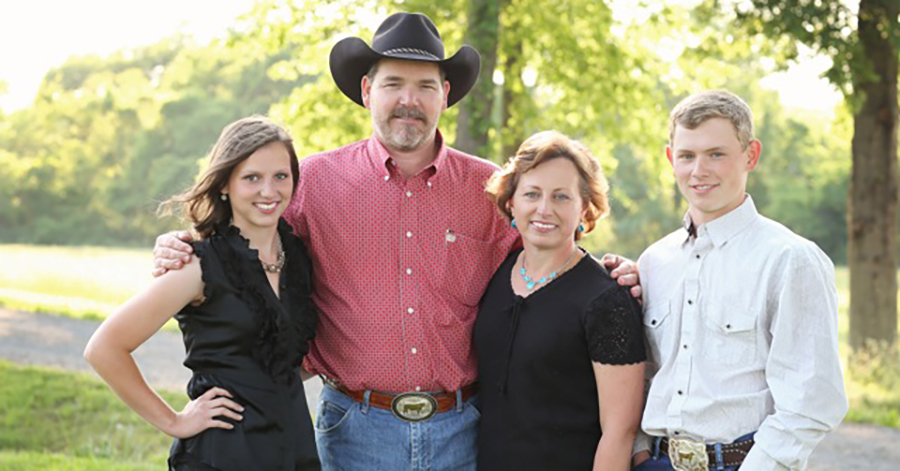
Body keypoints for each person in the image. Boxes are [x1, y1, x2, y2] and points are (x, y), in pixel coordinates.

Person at [151, 13, 640, 470]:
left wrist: (612, 273)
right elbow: (244, 234)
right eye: (393, 84)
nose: (410, 100)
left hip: (466, 430)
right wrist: (184, 244)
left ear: (445, 94)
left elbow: (547, 261)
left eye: (425, 85)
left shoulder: (490, 190)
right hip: (353, 428)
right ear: (367, 91)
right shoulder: (311, 183)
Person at [85, 116, 320, 471]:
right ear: (224, 184)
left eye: (280, 176)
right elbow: (104, 348)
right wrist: (174, 421)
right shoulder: (197, 265)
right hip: (223, 455)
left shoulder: (298, 258)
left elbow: (284, 358)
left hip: (294, 451)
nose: (268, 191)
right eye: (252, 177)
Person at [632, 90, 848, 471]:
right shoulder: (654, 262)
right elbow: (643, 376)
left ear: (751, 155)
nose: (699, 170)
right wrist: (639, 451)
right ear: (670, 158)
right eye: (687, 155)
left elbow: (812, 401)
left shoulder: (789, 259)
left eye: (716, 154)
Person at [475, 131, 646, 471]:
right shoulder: (495, 273)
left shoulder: (606, 300)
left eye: (561, 197)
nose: (544, 209)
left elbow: (620, 431)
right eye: (532, 194)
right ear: (511, 202)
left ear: (585, 208)